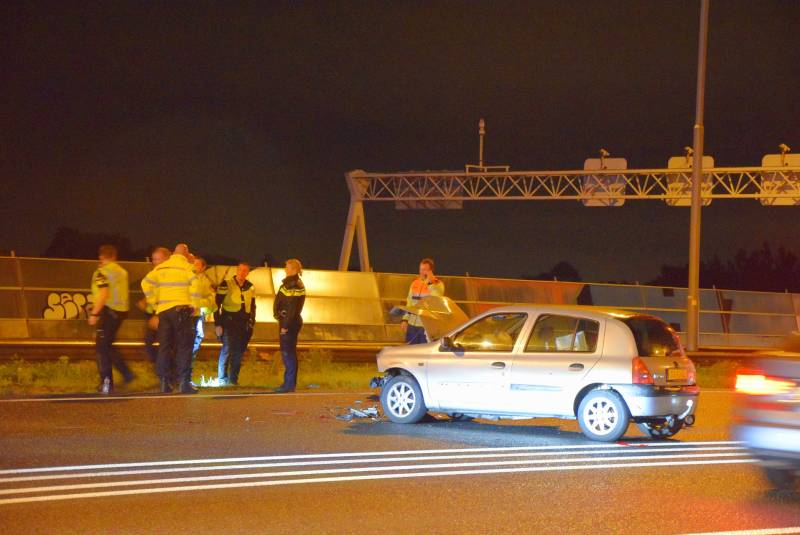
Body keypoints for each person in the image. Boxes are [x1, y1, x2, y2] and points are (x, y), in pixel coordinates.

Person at [141, 245, 201, 394]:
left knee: (164, 347)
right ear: (185, 253)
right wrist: (194, 304)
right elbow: (196, 284)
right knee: (184, 346)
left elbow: (145, 283)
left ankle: (164, 382)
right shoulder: (187, 266)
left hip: (163, 312)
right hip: (181, 309)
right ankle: (184, 383)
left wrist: (154, 299)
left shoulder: (162, 267)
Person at [88, 244, 134, 394]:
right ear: (114, 256)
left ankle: (106, 384)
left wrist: (94, 313)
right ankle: (127, 374)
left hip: (108, 311)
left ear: (101, 256)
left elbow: (103, 293)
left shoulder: (101, 272)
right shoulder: (122, 271)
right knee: (107, 345)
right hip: (121, 312)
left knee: (101, 347)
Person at [214, 262, 256, 386]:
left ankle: (233, 380)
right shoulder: (226, 284)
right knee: (227, 350)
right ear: (236, 271)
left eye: (245, 271)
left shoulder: (251, 286)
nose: (242, 273)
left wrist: (252, 321)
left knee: (239, 352)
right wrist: (218, 324)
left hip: (244, 324)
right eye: (240, 270)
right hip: (229, 322)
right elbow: (217, 305)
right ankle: (222, 380)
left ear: (248, 273)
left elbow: (253, 306)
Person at [273, 258, 305, 393]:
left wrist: (285, 325)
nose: (285, 269)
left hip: (289, 323)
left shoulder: (293, 284)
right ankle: (289, 383)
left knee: (288, 353)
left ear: (294, 269)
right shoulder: (292, 283)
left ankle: (289, 385)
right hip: (289, 321)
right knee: (289, 353)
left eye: (287, 267)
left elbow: (291, 308)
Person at [137, 247, 171, 368]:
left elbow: (167, 295)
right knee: (150, 346)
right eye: (154, 259)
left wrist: (157, 315)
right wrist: (145, 302)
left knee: (165, 346)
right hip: (153, 314)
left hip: (162, 315)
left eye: (158, 259)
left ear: (167, 259)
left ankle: (167, 374)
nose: (155, 262)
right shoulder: (155, 274)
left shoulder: (167, 274)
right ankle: (163, 372)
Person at [401, 258, 445, 344]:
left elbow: (435, 300)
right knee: (410, 352)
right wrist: (405, 320)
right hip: (412, 326)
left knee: (424, 354)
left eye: (424, 270)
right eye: (420, 269)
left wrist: (430, 284)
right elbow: (409, 302)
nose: (421, 272)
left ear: (431, 271)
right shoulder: (415, 283)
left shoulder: (438, 284)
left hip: (426, 327)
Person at [192, 257, 216, 365]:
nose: (194, 266)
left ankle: (190, 363)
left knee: (198, 336)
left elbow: (211, 299)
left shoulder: (206, 282)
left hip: (197, 314)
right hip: (186, 314)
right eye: (194, 264)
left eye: (197, 264)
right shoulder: (187, 278)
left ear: (203, 268)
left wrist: (197, 304)